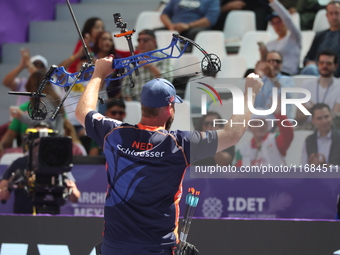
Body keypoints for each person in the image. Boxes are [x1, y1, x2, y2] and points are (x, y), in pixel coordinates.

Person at [74, 55, 263, 254]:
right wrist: (250, 93)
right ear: (170, 108)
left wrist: (98, 73)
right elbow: (231, 136)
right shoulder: (179, 144)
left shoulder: (114, 134)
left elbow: (82, 112)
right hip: (158, 248)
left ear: (143, 106)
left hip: (115, 246)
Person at [0, 124, 81, 214]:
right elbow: (3, 188)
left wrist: (72, 189)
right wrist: (4, 191)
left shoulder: (59, 163)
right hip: (23, 217)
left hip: (51, 216)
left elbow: (75, 197)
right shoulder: (20, 163)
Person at [0, 71, 65, 156]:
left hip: (50, 146)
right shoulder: (49, 99)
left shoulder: (45, 100)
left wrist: (22, 116)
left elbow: (46, 122)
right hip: (53, 145)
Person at [122, 29, 173, 101]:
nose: (142, 43)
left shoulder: (164, 57)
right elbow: (125, 88)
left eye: (145, 40)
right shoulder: (131, 61)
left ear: (154, 42)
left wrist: (151, 66)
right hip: (137, 102)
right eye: (139, 40)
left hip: (159, 101)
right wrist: (132, 105)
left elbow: (168, 82)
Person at [295, 50, 340, 125]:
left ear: (335, 66)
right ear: (318, 64)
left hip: (330, 128)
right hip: (308, 126)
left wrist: (312, 109)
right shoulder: (306, 85)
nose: (324, 66)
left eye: (328, 64)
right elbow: (299, 117)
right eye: (321, 63)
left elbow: (336, 116)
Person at [300, 1, 340, 78]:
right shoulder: (320, 36)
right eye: (331, 13)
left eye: (337, 13)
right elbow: (307, 58)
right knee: (310, 69)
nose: (334, 17)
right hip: (316, 72)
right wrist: (309, 63)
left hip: (334, 75)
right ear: (327, 15)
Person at [263, 0, 302, 76]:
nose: (277, 26)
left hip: (287, 74)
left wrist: (273, 2)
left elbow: (288, 19)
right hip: (271, 74)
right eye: (273, 23)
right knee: (250, 72)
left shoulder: (294, 38)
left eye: (279, 22)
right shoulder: (269, 44)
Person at [254, 51, 295, 119]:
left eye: (278, 61)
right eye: (271, 61)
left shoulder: (288, 80)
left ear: (282, 64)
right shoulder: (259, 79)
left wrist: (272, 77)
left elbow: (286, 96)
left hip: (279, 122)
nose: (274, 64)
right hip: (259, 122)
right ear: (265, 63)